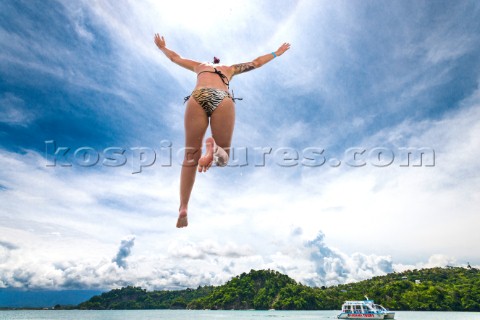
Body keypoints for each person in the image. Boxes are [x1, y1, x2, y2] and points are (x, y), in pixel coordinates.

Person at [154, 34, 291, 228]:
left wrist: (162, 48)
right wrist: (277, 53)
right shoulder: (230, 69)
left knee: (190, 155)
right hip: (222, 97)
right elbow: (256, 62)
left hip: (198, 96)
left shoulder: (200, 66)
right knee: (224, 157)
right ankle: (214, 149)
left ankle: (183, 207)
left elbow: (175, 58)